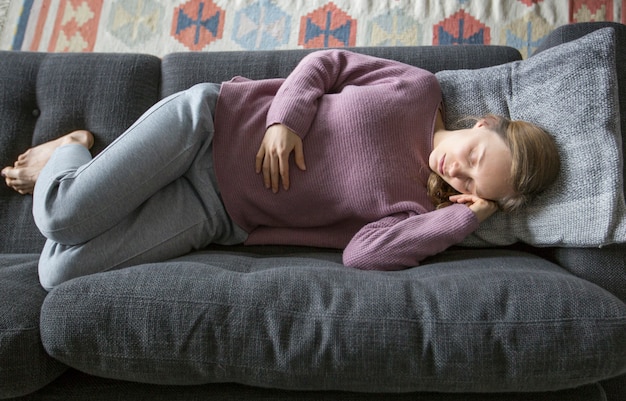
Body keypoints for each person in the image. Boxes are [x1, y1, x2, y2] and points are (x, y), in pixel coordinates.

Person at [1, 50, 560, 290]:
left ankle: (72, 164)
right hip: (210, 125)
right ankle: (71, 148)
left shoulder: (417, 211)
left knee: (57, 275)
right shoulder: (417, 89)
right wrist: (283, 121)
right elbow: (326, 64)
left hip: (214, 212)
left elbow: (361, 255)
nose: (458, 171)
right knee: (59, 213)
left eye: (469, 185)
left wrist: (462, 220)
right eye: (475, 157)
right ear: (484, 123)